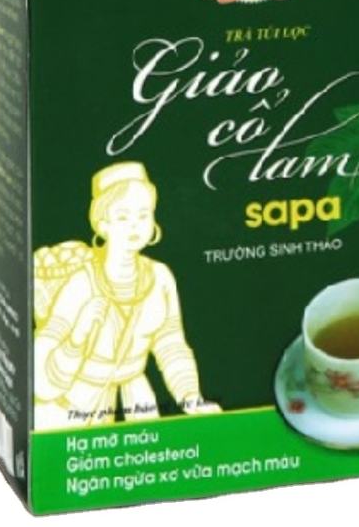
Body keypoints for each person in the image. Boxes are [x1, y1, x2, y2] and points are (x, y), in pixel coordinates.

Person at [34, 161, 221, 429]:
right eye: (123, 217)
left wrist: (190, 397)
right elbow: (42, 372)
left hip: (137, 401)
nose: (135, 226)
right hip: (72, 406)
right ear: (102, 224)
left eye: (143, 215)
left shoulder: (160, 277)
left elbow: (171, 345)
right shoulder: (82, 282)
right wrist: (76, 338)